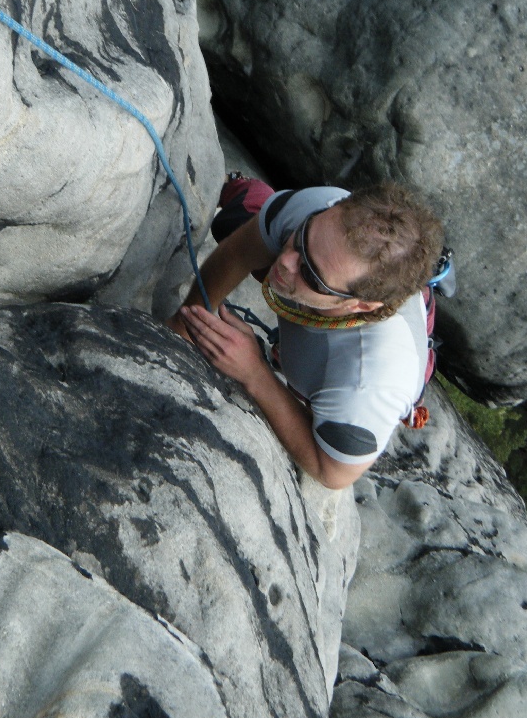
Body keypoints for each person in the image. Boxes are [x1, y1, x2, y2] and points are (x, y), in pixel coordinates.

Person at [168, 178, 444, 490]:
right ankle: (243, 187)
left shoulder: (368, 385)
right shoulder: (317, 207)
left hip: (370, 356)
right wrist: (186, 325)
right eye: (302, 239)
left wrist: (255, 373)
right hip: (339, 308)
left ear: (361, 305)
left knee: (315, 385)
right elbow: (238, 252)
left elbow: (333, 472)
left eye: (312, 274)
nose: (286, 262)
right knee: (238, 222)